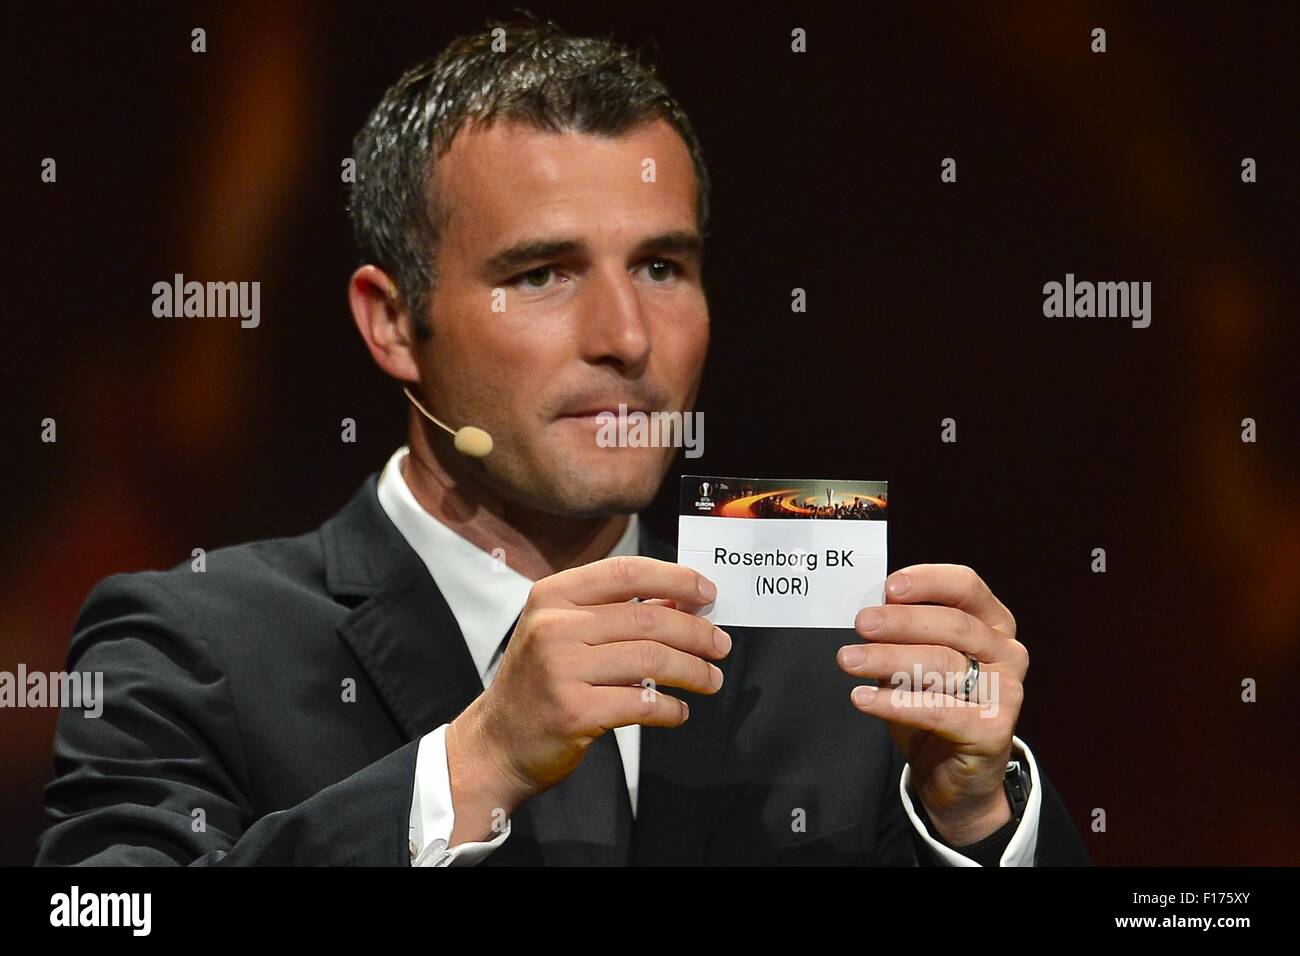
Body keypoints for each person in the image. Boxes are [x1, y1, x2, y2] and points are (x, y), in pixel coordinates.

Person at [36, 19, 1089, 867]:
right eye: (542, 273)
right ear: (392, 322)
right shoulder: (192, 643)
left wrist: (973, 822)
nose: (625, 338)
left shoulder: (822, 633)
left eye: (663, 268)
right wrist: (472, 766)